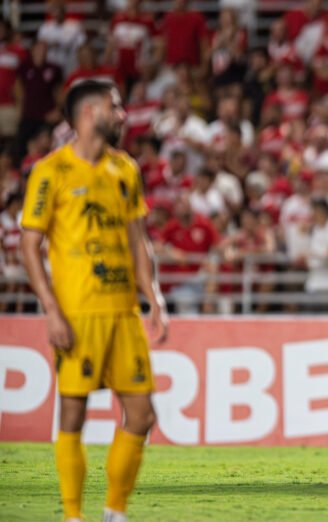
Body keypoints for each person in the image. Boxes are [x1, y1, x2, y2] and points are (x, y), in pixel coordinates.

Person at [20, 80, 167, 521]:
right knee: (73, 414)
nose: (123, 114)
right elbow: (29, 244)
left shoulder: (125, 169)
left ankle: (114, 513)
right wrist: (51, 310)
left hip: (123, 312)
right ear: (89, 112)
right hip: (78, 313)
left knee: (141, 414)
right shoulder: (51, 171)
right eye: (115, 106)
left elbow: (138, 239)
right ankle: (72, 515)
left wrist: (154, 296)